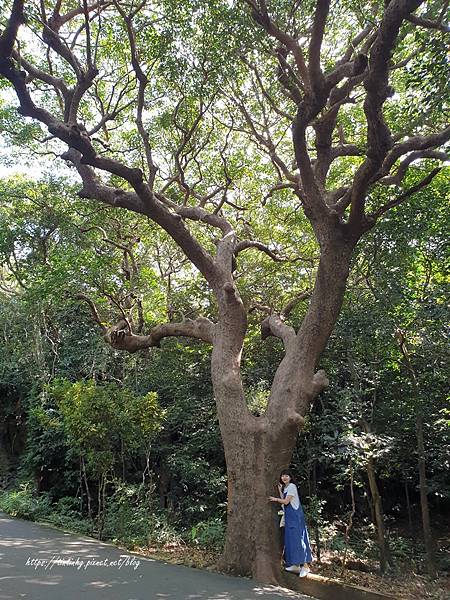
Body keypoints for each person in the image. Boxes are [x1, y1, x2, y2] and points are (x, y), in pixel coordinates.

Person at [269, 469, 312, 577]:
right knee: (290, 541)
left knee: (298, 540)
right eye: (283, 476)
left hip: (296, 518)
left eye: (287, 476)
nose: (284, 478)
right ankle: (295, 564)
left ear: (290, 477)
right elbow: (284, 501)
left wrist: (275, 499)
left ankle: (305, 566)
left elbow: (286, 501)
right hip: (289, 518)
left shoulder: (292, 486)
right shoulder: (286, 488)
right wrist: (280, 491)